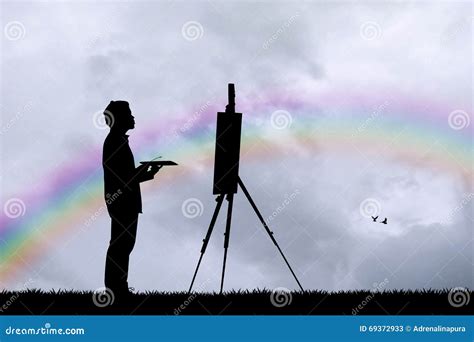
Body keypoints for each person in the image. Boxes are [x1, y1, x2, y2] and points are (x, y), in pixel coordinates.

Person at [102, 100, 160, 297]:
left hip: (123, 200)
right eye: (129, 114)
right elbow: (122, 177)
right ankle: (116, 289)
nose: (133, 117)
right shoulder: (115, 142)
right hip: (122, 201)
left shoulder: (117, 141)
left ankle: (118, 288)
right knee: (121, 245)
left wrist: (146, 172)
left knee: (123, 245)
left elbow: (124, 176)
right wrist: (143, 172)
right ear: (119, 118)